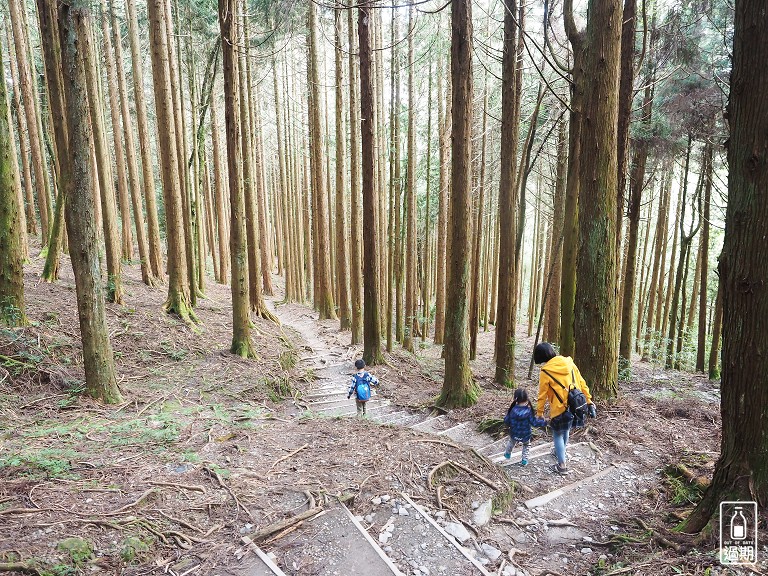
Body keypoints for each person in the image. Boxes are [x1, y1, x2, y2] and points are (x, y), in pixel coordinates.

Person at [533, 342, 597, 475]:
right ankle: (559, 452)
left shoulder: (546, 371)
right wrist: (589, 400)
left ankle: (562, 465)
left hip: (559, 408)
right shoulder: (570, 363)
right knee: (565, 430)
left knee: (557, 434)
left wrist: (539, 413)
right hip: (575, 406)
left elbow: (542, 395)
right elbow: (582, 383)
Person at [503, 388, 547, 465]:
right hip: (525, 434)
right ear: (527, 399)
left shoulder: (512, 410)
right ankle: (524, 460)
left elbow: (507, 420)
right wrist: (544, 422)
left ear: (516, 399)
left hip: (514, 433)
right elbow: (534, 423)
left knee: (511, 442)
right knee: (526, 445)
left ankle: (507, 453)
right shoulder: (529, 411)